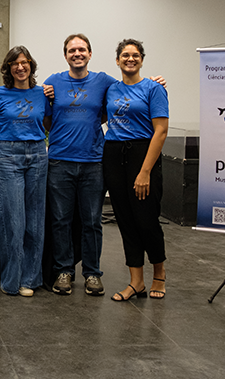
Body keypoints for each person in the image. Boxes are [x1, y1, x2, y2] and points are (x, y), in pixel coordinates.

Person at [44, 34, 115, 297]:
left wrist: (156, 82)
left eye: (82, 49)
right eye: (72, 50)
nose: (77, 53)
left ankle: (93, 273)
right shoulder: (52, 82)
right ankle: (64, 270)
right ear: (65, 55)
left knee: (92, 221)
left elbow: (128, 91)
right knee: (61, 220)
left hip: (93, 163)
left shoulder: (104, 81)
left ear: (90, 53)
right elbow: (47, 120)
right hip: (60, 162)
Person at [103, 39, 169, 301]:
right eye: (125, 55)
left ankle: (160, 276)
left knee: (147, 220)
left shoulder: (154, 88)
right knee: (126, 221)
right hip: (114, 154)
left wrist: (144, 172)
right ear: (117, 60)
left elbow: (161, 131)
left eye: (135, 55)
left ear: (142, 59)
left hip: (143, 154)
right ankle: (136, 282)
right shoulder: (110, 89)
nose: (130, 59)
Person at [0, 46, 50, 297]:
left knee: (34, 220)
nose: (20, 67)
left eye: (24, 63)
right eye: (14, 63)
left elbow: (49, 124)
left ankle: (30, 279)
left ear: (31, 66)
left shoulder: (43, 93)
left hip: (37, 154)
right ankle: (11, 280)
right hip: (8, 155)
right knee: (13, 220)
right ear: (8, 68)